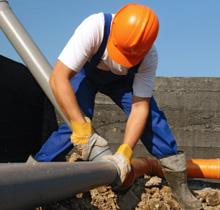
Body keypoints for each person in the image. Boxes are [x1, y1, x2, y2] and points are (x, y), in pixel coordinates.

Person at [34, 4, 202, 209]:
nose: (122, 61)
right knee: (73, 121)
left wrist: (125, 152)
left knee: (152, 119)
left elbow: (140, 107)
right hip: (87, 74)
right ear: (114, 27)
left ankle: (179, 186)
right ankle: (33, 174)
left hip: (123, 83)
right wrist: (80, 126)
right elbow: (58, 77)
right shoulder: (94, 27)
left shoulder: (149, 56)